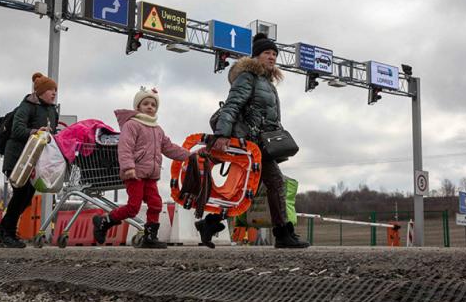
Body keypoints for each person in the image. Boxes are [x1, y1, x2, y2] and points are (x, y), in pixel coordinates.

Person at [208, 33, 309, 248]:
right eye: (267, 53)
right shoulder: (248, 77)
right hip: (250, 143)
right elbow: (232, 105)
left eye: (274, 54)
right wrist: (221, 135)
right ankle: (283, 234)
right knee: (275, 183)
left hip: (261, 144)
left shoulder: (267, 83)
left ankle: (209, 224)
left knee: (245, 189)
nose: (272, 57)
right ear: (255, 56)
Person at [92, 87, 189, 249]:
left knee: (156, 204)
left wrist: (189, 156)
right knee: (133, 207)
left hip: (151, 175)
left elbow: (169, 148)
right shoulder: (132, 125)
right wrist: (129, 167)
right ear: (137, 107)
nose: (150, 107)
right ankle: (104, 221)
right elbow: (125, 147)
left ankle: (150, 237)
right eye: (146, 104)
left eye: (153, 105)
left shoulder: (157, 129)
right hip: (135, 174)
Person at [0, 72, 59, 248]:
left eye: (55, 90)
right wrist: (36, 131)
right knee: (21, 194)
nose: (54, 93)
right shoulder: (27, 106)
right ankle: (7, 232)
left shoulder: (52, 109)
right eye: (50, 90)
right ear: (40, 92)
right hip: (18, 159)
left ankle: (4, 229)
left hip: (34, 160)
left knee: (27, 197)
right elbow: (17, 130)